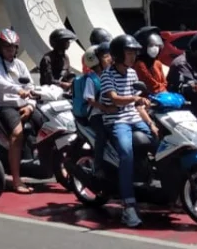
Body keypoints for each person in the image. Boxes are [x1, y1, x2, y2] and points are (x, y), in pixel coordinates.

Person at [101, 34, 158, 228]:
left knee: (163, 143)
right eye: (128, 52)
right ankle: (128, 206)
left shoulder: (133, 73)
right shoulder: (107, 75)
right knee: (126, 154)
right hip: (117, 121)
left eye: (134, 52)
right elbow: (115, 99)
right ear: (118, 54)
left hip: (134, 119)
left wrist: (151, 124)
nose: (133, 56)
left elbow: (139, 105)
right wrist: (135, 99)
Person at [0, 28, 35, 194]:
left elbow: (31, 86)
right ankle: (16, 180)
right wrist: (18, 90)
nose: (10, 50)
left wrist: (30, 105)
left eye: (13, 47)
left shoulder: (19, 64)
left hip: (22, 104)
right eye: (7, 47)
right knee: (17, 133)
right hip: (1, 106)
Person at [72, 43, 112, 164]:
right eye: (104, 56)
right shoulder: (91, 79)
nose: (109, 58)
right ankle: (98, 165)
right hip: (96, 115)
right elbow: (90, 99)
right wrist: (104, 108)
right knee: (102, 135)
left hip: (109, 112)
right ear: (96, 60)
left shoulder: (109, 74)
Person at [133, 30, 168, 94]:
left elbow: (165, 82)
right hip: (147, 97)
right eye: (151, 45)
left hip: (162, 94)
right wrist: (162, 89)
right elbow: (150, 84)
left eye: (157, 46)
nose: (155, 48)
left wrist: (163, 89)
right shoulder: (139, 64)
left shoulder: (157, 63)